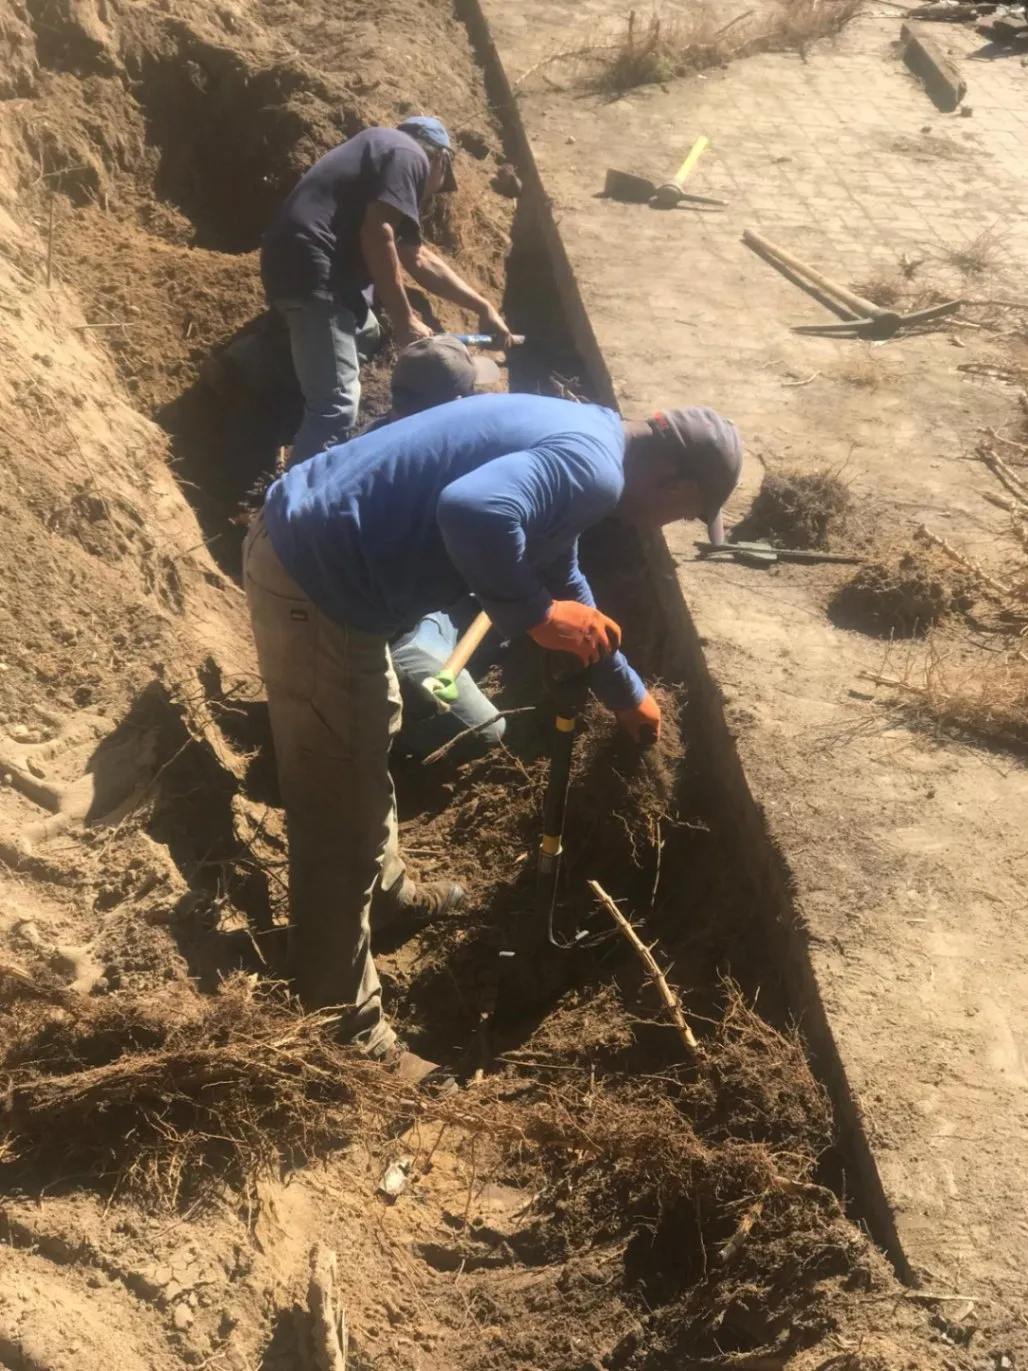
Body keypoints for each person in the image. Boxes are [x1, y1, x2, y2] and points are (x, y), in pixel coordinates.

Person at [243, 394, 743, 1060]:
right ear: (677, 483)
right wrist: (536, 615)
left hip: (329, 563)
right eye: (684, 513)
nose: (671, 523)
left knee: (365, 740)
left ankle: (385, 900)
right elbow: (472, 511)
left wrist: (623, 689)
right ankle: (346, 1030)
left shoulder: (590, 436)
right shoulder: (594, 468)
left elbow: (556, 565)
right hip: (319, 582)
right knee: (337, 810)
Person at [260, 116, 511, 462]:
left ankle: (246, 364)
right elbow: (378, 233)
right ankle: (292, 508)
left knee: (365, 331)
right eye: (438, 184)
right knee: (337, 407)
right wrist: (405, 319)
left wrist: (482, 306)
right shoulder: (408, 155)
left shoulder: (380, 155)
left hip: (293, 260)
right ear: (441, 158)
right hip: (316, 270)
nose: (428, 196)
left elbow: (417, 257)